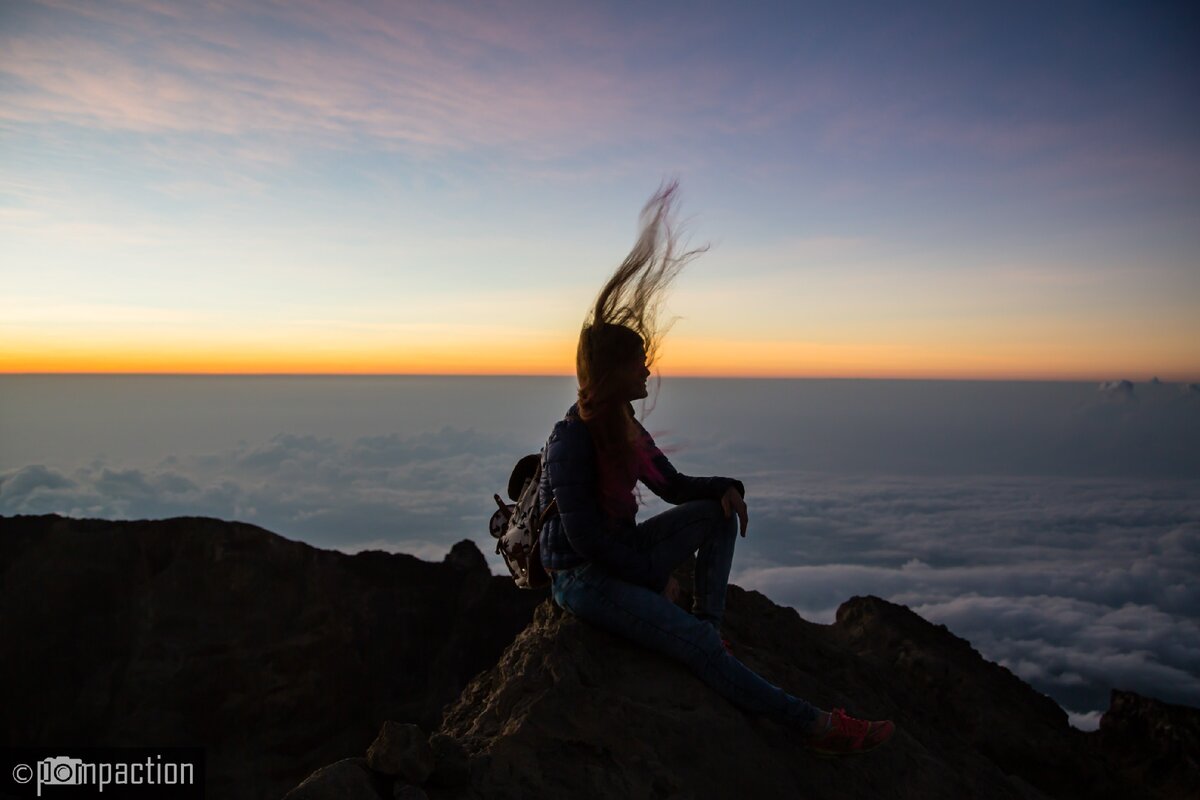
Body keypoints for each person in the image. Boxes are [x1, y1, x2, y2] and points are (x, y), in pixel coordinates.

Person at [537, 181, 895, 757]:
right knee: (696, 654)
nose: (648, 370)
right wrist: (653, 580)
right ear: (614, 373)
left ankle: (709, 624)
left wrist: (727, 488)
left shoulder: (623, 426)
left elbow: (672, 486)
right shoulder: (572, 438)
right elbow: (585, 542)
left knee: (714, 516)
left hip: (615, 559)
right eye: (638, 364)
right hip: (583, 580)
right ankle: (817, 726)